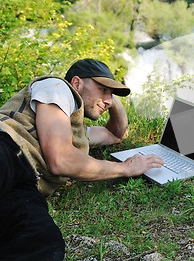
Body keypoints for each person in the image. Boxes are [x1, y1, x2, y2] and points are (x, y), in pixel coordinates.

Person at [0, 58, 164, 260]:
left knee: (43, 242)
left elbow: (117, 134)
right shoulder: (57, 87)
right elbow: (61, 160)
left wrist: (110, 97)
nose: (109, 100)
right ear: (77, 83)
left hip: (26, 185)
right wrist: (125, 168)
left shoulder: (75, 132)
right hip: (7, 149)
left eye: (111, 94)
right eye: (103, 89)